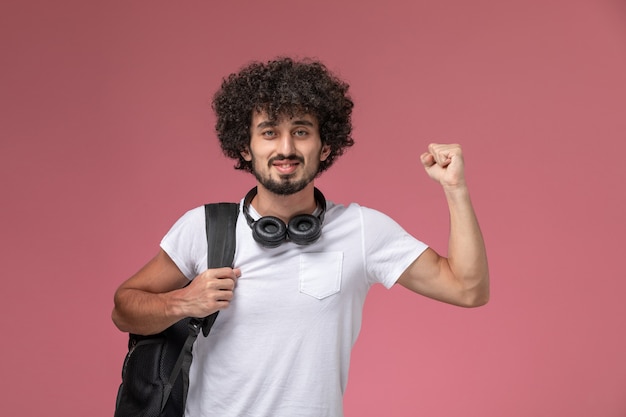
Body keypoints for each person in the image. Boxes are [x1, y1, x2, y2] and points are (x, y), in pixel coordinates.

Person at [112, 57, 489, 417]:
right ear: (246, 147)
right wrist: (183, 302)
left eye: (301, 132)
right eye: (270, 132)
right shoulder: (206, 229)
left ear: (325, 147)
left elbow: (467, 289)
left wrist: (455, 189)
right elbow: (124, 307)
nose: (286, 148)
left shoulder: (362, 230)